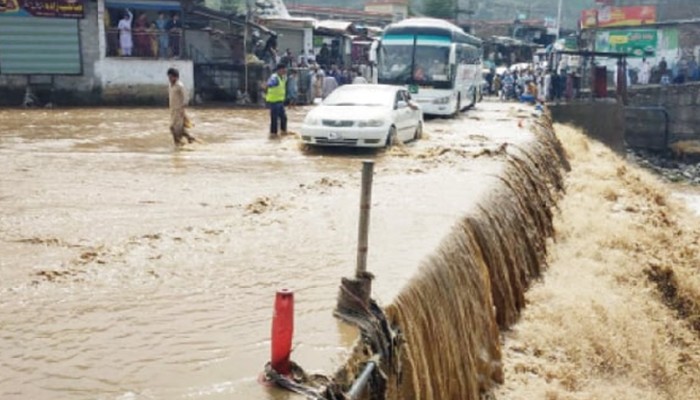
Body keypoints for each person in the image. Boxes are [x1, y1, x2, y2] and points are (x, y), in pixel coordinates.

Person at [167, 68, 197, 146]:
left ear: (176, 77)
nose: (169, 79)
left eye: (171, 77)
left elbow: (186, 97)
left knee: (174, 128)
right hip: (172, 110)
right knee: (176, 128)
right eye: (169, 77)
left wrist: (183, 108)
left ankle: (179, 145)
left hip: (179, 111)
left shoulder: (179, 85)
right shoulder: (170, 85)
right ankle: (189, 138)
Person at [266, 64, 288, 137]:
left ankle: (283, 132)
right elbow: (270, 83)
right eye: (284, 69)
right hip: (274, 102)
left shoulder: (283, 77)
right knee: (274, 119)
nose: (285, 71)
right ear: (280, 70)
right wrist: (269, 84)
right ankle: (273, 134)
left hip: (280, 101)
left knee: (284, 118)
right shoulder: (274, 77)